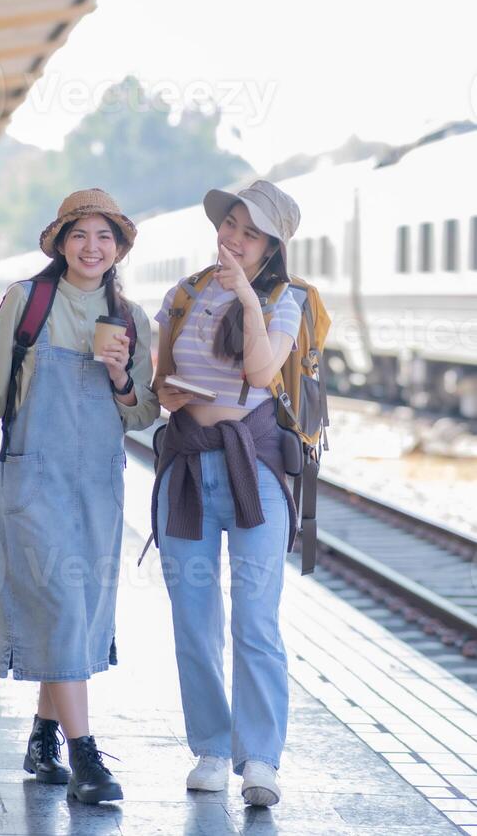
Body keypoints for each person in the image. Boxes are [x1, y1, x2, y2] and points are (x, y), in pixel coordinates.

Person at [0, 189, 159, 805]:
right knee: (65, 607)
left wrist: (119, 375)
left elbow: (143, 411)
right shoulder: (29, 301)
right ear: (61, 242)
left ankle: (43, 738)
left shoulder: (132, 318)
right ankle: (85, 756)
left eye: (105, 238)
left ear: (118, 249)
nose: (92, 248)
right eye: (80, 235)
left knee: (80, 613)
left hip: (97, 483)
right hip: (34, 480)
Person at [151, 179, 302, 808]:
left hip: (255, 471)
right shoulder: (182, 294)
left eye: (249, 232)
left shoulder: (286, 300)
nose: (233, 238)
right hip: (187, 468)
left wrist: (243, 293)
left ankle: (260, 760)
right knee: (194, 620)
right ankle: (211, 749)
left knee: (256, 619)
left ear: (271, 245)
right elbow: (159, 382)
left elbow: (263, 373)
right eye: (230, 224)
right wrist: (170, 393)